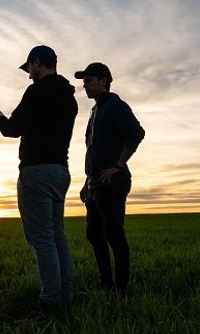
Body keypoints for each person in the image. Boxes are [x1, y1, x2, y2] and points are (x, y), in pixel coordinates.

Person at [0, 45, 78, 309]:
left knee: (41, 239)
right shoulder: (69, 97)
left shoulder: (37, 91)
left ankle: (51, 300)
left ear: (37, 63)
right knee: (57, 235)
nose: (28, 74)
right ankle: (66, 295)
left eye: (29, 68)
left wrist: (0, 122)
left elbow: (14, 128)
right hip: (61, 170)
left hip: (37, 171)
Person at [76, 62, 145, 295]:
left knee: (114, 234)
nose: (84, 85)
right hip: (96, 184)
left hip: (112, 183)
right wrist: (87, 181)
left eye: (89, 80)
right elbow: (93, 149)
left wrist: (118, 165)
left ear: (104, 81)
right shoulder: (96, 110)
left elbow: (136, 133)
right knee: (94, 234)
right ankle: (105, 282)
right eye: (83, 81)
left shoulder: (115, 105)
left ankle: (121, 288)